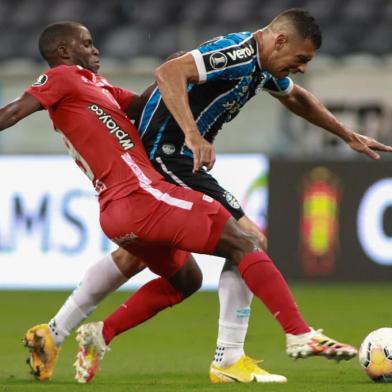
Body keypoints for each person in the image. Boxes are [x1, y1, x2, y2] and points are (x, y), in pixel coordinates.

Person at [15, 11, 387, 383]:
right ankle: (244, 353)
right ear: (279, 41)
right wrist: (193, 134)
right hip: (169, 156)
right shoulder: (238, 53)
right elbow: (168, 73)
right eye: (301, 59)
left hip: (160, 164)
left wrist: (346, 134)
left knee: (155, 266)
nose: (302, 68)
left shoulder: (262, 66)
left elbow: (297, 98)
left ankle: (64, 333)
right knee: (248, 241)